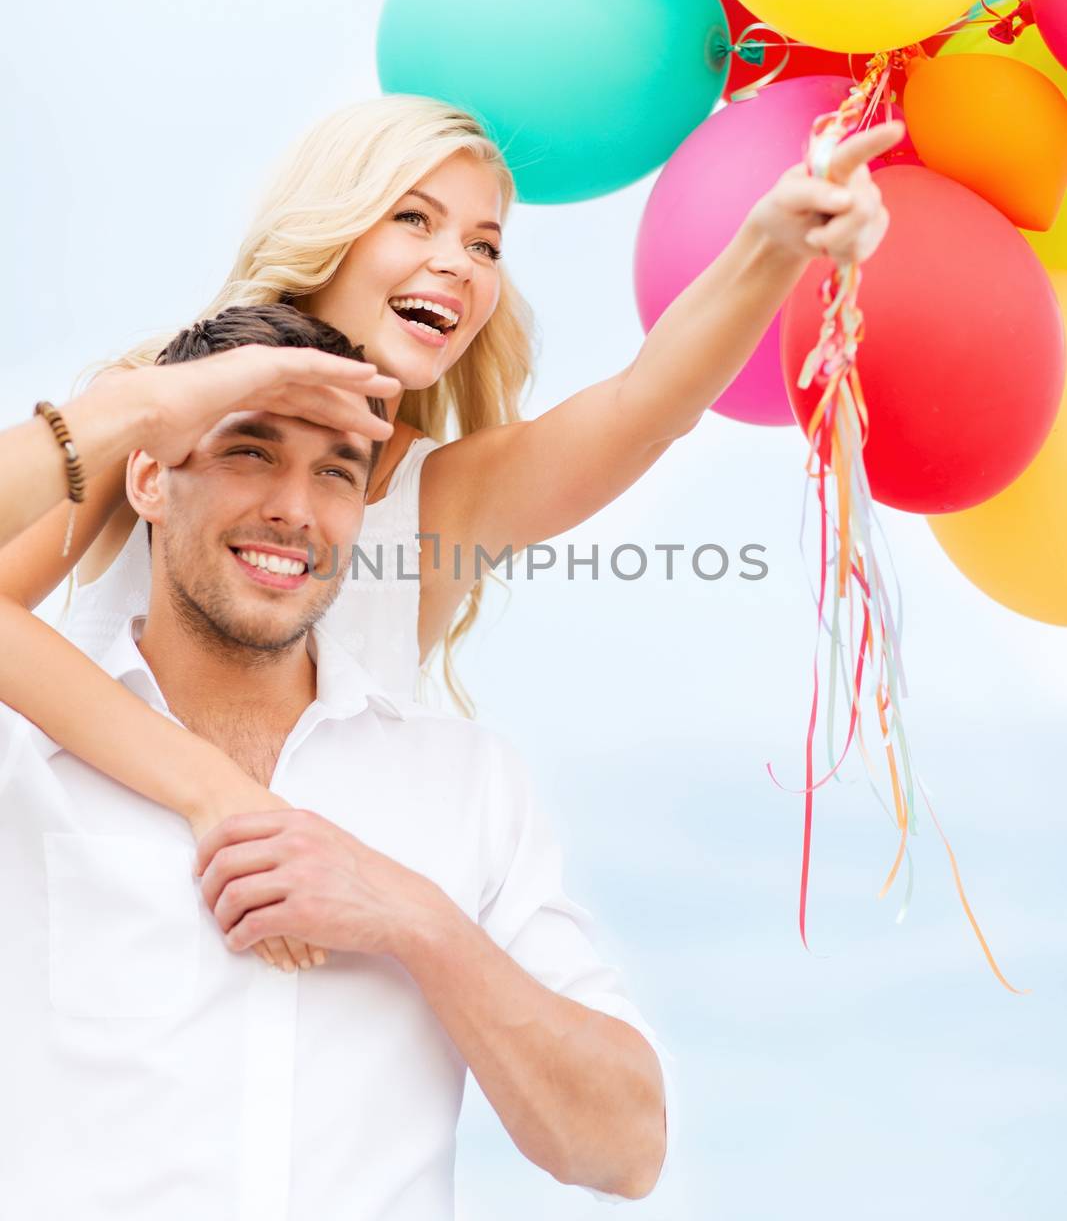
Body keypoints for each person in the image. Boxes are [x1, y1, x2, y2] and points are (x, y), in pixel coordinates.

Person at [0, 92, 904, 972]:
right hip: (96, 915)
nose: (460, 264)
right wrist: (218, 796)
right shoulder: (163, 411)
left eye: (484, 244)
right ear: (333, 229)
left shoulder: (445, 500)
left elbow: (645, 405)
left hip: (311, 952)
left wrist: (770, 242)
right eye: (415, 220)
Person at [0, 303, 674, 1221]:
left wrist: (414, 920)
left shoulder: (461, 785)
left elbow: (623, 1143)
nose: (291, 508)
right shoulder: (18, 756)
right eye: (247, 448)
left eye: (334, 472)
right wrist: (143, 403)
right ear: (146, 475)